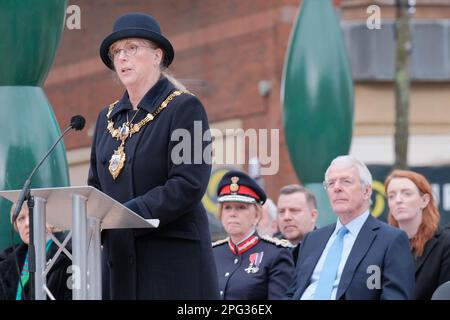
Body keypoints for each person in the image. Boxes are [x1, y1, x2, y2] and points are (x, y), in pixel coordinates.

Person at [88, 12, 218, 299]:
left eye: (132, 48)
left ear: (157, 55)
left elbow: (188, 184)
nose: (122, 58)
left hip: (170, 263)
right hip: (119, 262)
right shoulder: (106, 117)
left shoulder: (186, 108)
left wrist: (127, 215)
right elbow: (95, 186)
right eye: (116, 51)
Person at [286, 155, 415, 300]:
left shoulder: (391, 240)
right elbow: (292, 292)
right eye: (331, 183)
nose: (337, 188)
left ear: (366, 191)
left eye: (346, 181)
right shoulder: (312, 239)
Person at [213, 170, 295, 300]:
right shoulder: (212, 253)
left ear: (257, 215)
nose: (232, 213)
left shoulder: (275, 254)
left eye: (241, 207)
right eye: (227, 207)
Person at [385, 169, 450, 300]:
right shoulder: (382, 245)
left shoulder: (445, 243)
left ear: (424, 200)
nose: (398, 200)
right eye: (391, 196)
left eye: (406, 194)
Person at [0, 204, 71, 300]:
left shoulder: (69, 254)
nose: (27, 223)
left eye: (32, 214)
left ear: (49, 219)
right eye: (21, 218)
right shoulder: (5, 261)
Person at [277, 184, 318, 263]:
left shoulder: (326, 248)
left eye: (294, 210)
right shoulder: (270, 250)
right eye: (281, 211)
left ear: (313, 216)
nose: (286, 217)